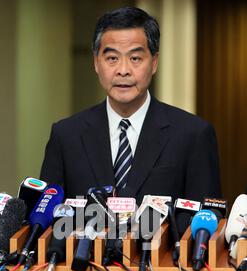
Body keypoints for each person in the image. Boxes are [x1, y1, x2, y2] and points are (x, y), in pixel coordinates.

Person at [40, 6, 221, 204]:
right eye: (112, 58)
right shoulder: (66, 136)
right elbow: (47, 220)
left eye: (135, 58)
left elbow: (208, 220)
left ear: (154, 63)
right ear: (95, 62)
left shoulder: (193, 135)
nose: (123, 70)